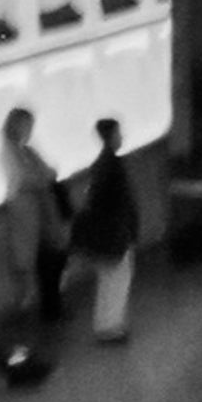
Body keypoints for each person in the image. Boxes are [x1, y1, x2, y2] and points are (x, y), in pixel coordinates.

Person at [71, 121, 143, 346]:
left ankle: (107, 324)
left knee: (109, 278)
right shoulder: (113, 165)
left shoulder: (101, 164)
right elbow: (120, 202)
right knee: (117, 278)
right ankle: (110, 326)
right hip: (115, 231)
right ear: (112, 135)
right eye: (119, 132)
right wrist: (129, 227)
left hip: (107, 230)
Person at [0, 106, 60, 324]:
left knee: (46, 254)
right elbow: (22, 179)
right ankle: (27, 305)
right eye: (27, 125)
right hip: (24, 211)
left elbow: (44, 172)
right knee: (25, 260)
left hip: (38, 210)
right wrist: (43, 178)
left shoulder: (26, 151)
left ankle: (45, 302)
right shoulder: (9, 152)